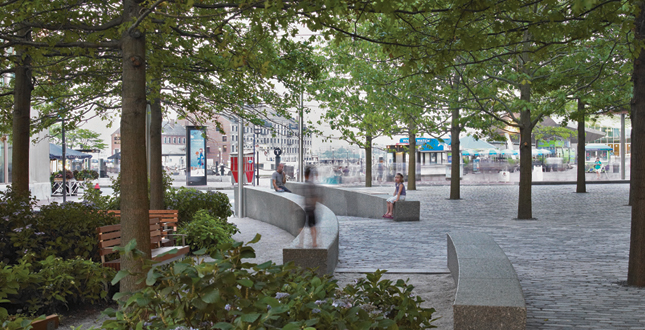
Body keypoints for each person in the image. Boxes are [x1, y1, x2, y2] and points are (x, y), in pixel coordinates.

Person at [299, 166, 319, 247]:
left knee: (301, 226)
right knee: (312, 226)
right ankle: (314, 242)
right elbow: (316, 196)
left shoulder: (305, 185)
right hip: (311, 208)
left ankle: (301, 243)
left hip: (306, 208)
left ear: (305, 175)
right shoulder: (312, 185)